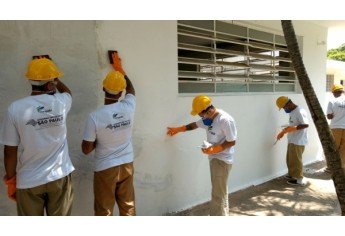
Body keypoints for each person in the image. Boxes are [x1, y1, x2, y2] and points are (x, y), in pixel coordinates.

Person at [0, 57, 75, 216]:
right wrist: (55, 77)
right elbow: (68, 92)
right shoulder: (61, 102)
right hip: (59, 177)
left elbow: (10, 150)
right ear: (50, 84)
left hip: (29, 181)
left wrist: (11, 180)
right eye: (53, 82)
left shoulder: (15, 108)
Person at [82, 51, 136, 216]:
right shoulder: (129, 106)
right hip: (127, 164)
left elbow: (86, 149)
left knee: (104, 211)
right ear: (121, 93)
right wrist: (120, 69)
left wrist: (100, 139)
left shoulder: (95, 117)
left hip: (106, 168)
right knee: (128, 208)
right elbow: (132, 89)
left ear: (103, 88)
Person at [167, 95, 237, 216]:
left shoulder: (225, 120)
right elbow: (194, 125)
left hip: (222, 160)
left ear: (209, 110)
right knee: (219, 191)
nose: (201, 117)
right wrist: (178, 129)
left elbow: (232, 141)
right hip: (215, 158)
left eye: (201, 114)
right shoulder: (209, 118)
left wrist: (215, 149)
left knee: (218, 194)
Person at [276, 96, 309, 186]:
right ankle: (292, 175)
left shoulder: (299, 111)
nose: (284, 109)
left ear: (289, 104)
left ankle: (299, 179)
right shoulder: (292, 112)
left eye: (284, 107)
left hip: (298, 140)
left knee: (296, 160)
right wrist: (284, 131)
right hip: (292, 139)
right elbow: (293, 124)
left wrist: (292, 128)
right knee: (290, 159)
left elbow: (305, 125)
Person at [326, 84, 345, 172]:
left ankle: (331, 167)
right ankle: (342, 167)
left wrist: (334, 114)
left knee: (333, 148)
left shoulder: (332, 101)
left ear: (334, 92)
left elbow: (329, 116)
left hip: (335, 127)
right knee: (343, 148)